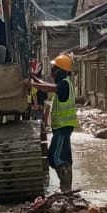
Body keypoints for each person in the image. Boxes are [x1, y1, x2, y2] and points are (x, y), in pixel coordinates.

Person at [29, 53, 78, 193]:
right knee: (65, 156)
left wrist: (32, 84)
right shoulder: (64, 83)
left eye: (54, 68)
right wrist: (35, 78)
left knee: (54, 157)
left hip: (63, 127)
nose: (51, 71)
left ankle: (66, 186)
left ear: (60, 71)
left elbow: (49, 88)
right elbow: (48, 85)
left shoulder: (63, 85)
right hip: (62, 127)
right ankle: (66, 188)